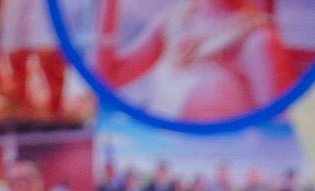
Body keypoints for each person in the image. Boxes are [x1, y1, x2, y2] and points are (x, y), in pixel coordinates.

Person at [95, 0, 288, 124]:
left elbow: (276, 132)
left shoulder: (258, 42)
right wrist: (108, 8)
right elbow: (108, 78)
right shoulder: (173, 20)